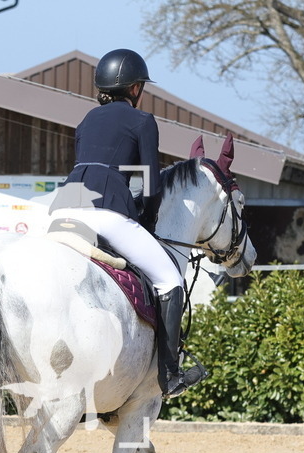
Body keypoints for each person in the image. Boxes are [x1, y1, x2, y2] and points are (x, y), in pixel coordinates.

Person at [48, 48, 202, 399]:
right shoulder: (142, 121)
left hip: (65, 210)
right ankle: (169, 375)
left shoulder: (86, 120)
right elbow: (150, 182)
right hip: (107, 211)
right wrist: (146, 216)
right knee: (169, 280)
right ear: (135, 88)